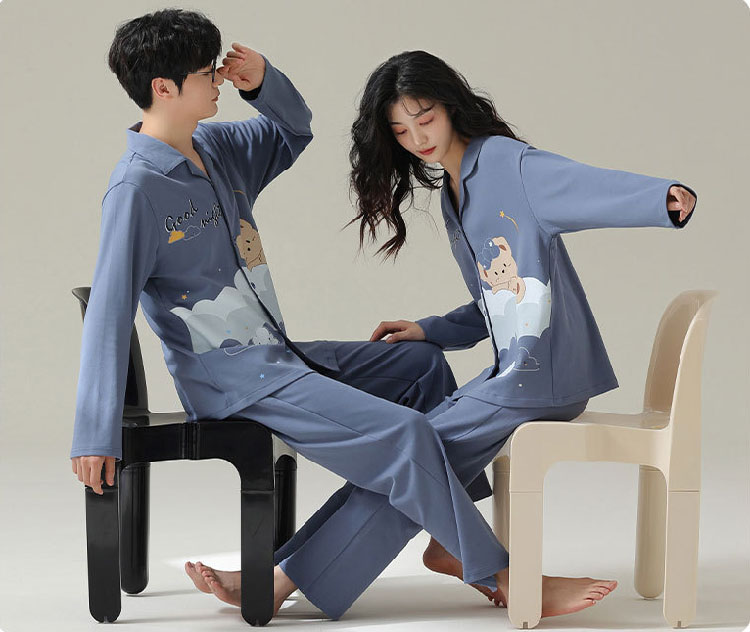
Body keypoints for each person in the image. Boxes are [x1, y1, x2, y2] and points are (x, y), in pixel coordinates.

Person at [192, 50, 697, 621]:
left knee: (405, 459)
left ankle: (282, 579)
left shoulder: (505, 162)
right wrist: (430, 329)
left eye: (425, 118)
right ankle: (411, 550)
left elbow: (579, 182)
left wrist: (660, 198)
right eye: (400, 130)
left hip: (543, 377)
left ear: (451, 105)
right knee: (403, 460)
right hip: (512, 377)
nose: (417, 139)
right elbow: (497, 300)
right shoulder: (454, 191)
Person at [70, 10, 508, 623]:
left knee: (420, 365)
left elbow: (293, 130)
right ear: (164, 88)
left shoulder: (216, 149)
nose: (218, 79)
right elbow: (110, 310)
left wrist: (262, 82)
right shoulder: (136, 190)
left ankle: (444, 533)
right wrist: (94, 434)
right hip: (232, 382)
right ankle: (495, 568)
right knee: (406, 435)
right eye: (206, 72)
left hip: (277, 356)